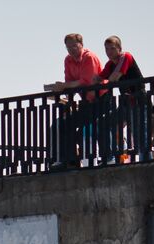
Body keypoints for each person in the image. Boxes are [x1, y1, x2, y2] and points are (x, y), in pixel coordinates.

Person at [47, 34, 104, 167]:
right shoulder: (68, 60)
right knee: (59, 124)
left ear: (81, 45)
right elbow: (69, 82)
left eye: (74, 46)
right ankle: (64, 160)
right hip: (86, 103)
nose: (71, 50)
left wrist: (65, 86)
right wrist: (62, 92)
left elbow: (86, 82)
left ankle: (86, 159)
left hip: (101, 101)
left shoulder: (89, 57)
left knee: (80, 129)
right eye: (68, 47)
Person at [100, 36, 148, 161]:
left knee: (139, 132)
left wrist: (104, 81)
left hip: (138, 100)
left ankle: (145, 159)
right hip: (126, 103)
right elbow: (98, 78)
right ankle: (109, 157)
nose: (109, 52)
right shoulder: (110, 64)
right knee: (104, 123)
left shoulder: (125, 56)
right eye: (106, 49)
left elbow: (115, 76)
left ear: (119, 48)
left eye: (112, 48)